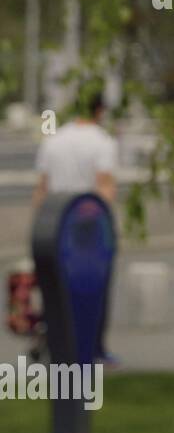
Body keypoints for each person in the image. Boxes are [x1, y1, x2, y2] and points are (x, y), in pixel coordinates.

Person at [31, 87, 119, 366]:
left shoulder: (53, 141)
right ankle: (94, 348)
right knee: (94, 289)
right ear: (100, 110)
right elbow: (104, 188)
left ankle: (55, 345)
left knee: (56, 286)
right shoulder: (103, 142)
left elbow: (41, 189)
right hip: (88, 226)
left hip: (54, 222)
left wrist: (40, 227)